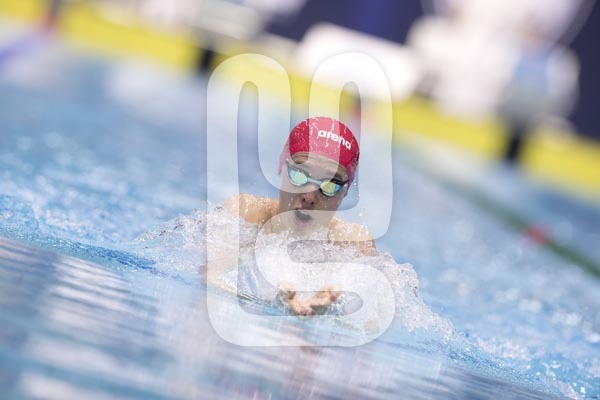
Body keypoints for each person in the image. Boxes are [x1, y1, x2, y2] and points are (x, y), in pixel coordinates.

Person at [225, 116, 375, 315]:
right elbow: (211, 277)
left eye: (330, 185)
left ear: (345, 191)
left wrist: (331, 312)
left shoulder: (352, 244)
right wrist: (268, 303)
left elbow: (371, 319)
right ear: (282, 167)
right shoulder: (246, 214)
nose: (310, 197)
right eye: (299, 175)